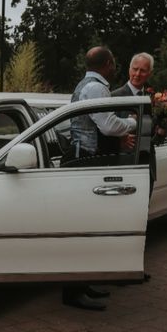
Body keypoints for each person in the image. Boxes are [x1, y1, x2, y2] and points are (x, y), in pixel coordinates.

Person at [62, 46, 137, 312]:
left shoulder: (91, 84)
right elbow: (107, 125)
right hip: (85, 158)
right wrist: (132, 123)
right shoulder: (95, 88)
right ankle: (73, 291)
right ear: (107, 63)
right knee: (81, 227)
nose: (115, 65)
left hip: (85, 156)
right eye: (114, 61)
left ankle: (82, 284)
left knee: (87, 226)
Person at [111, 52, 156, 283]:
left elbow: (153, 130)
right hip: (123, 169)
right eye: (135, 69)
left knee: (140, 221)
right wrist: (118, 140)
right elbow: (102, 132)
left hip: (146, 167)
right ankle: (116, 270)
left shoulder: (153, 98)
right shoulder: (115, 96)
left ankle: (134, 267)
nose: (138, 74)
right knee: (120, 221)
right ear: (129, 69)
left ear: (150, 73)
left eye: (143, 70)